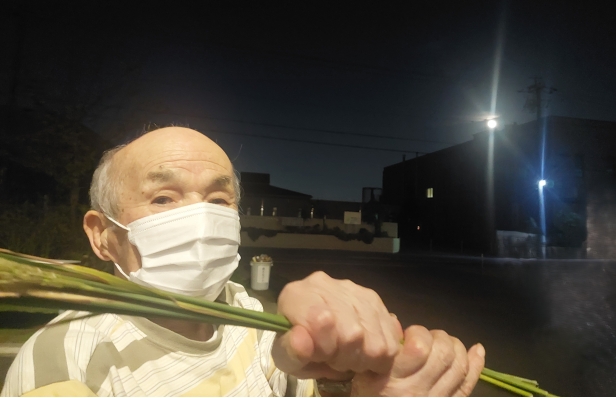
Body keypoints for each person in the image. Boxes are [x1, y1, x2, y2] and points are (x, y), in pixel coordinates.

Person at [1, 127, 485, 397]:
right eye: (164, 198)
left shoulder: (256, 323)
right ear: (101, 235)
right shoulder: (64, 358)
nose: (199, 218)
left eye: (218, 200)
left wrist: (370, 386)